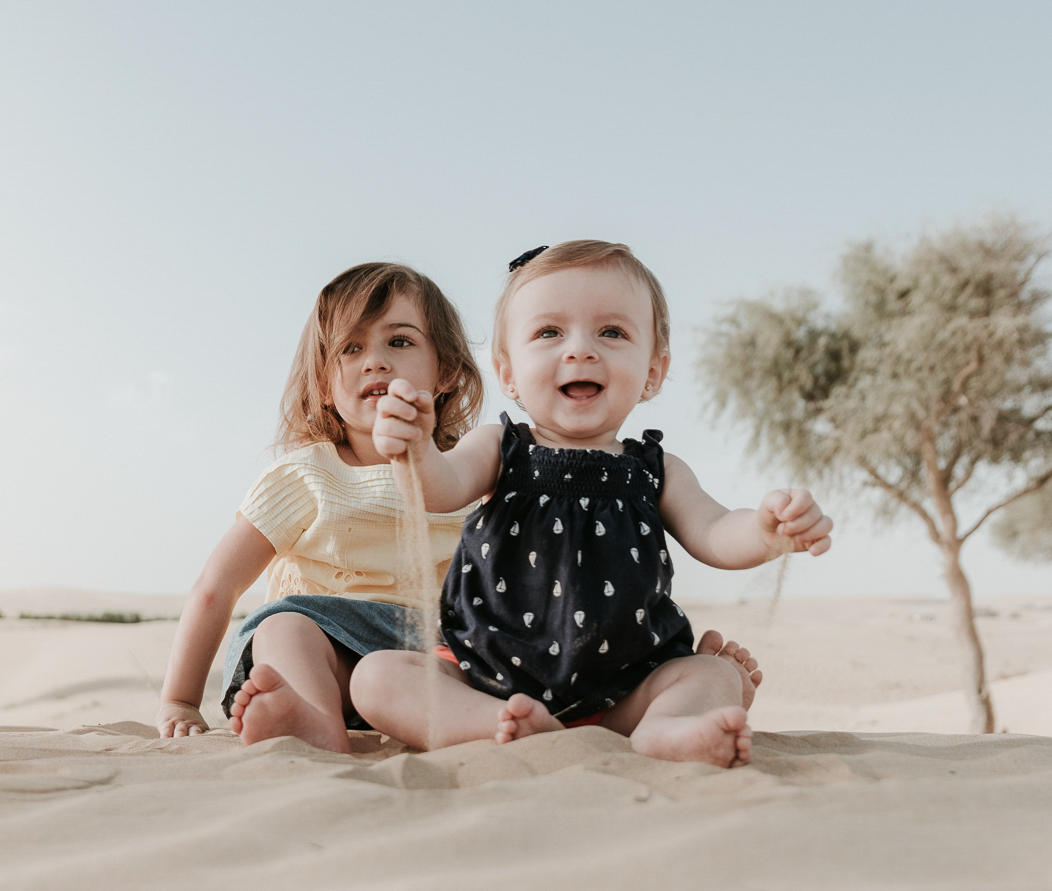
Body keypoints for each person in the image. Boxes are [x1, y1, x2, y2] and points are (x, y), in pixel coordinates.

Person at [350, 240, 828, 768]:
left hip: (624, 691)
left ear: (653, 371)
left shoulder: (656, 469)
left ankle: (665, 727)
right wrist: (415, 451)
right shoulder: (501, 448)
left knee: (715, 675)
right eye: (549, 332)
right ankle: (496, 724)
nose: (580, 350)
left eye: (612, 332)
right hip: (484, 674)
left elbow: (714, 532)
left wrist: (766, 532)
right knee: (377, 677)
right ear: (507, 372)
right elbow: (439, 486)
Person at [154, 262, 486, 751]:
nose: (374, 361)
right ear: (325, 386)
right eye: (351, 348)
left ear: (448, 370)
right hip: (330, 652)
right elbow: (216, 586)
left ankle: (465, 722)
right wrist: (180, 700)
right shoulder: (308, 475)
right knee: (283, 627)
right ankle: (310, 716)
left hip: (433, 653)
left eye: (399, 341)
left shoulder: (470, 470)